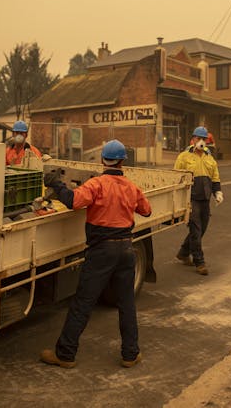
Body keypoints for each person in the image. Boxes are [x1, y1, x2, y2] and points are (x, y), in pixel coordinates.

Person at [40, 139, 152, 369]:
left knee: (83, 303)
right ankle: (130, 354)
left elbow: (73, 201)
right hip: (125, 249)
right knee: (126, 304)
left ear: (102, 160)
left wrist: (57, 184)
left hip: (102, 251)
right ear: (123, 161)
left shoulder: (97, 185)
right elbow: (147, 211)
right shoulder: (131, 187)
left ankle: (65, 354)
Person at [173, 126, 223, 275]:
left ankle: (183, 252)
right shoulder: (184, 156)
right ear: (193, 139)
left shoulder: (209, 157)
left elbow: (215, 177)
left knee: (202, 229)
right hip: (191, 199)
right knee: (196, 230)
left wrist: (217, 192)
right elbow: (176, 177)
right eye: (198, 138)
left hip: (205, 198)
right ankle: (199, 262)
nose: (201, 141)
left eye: (204, 139)